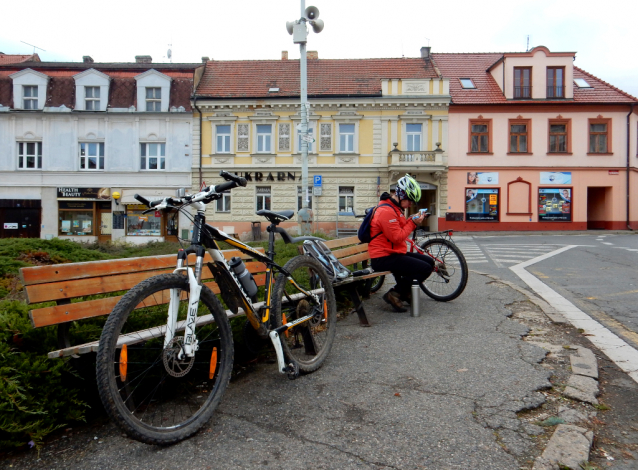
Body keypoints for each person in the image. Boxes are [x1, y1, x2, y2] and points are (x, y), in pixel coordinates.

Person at [368, 174, 434, 312]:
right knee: (425, 268)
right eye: (410, 201)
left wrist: (412, 219)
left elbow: (402, 226)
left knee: (430, 262)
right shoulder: (386, 211)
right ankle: (395, 293)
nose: (410, 204)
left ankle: (404, 292)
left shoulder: (395, 209)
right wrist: (412, 223)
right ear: (401, 195)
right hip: (383, 257)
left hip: (393, 252)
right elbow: (397, 237)